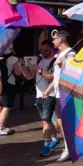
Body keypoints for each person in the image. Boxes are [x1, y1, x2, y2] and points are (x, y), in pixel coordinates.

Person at [43, 30, 76, 162]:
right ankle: (69, 147)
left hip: (66, 93)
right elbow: (57, 77)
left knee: (65, 123)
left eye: (55, 38)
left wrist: (64, 65)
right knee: (61, 122)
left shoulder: (71, 54)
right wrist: (48, 89)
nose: (53, 41)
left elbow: (74, 74)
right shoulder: (61, 54)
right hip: (58, 92)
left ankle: (69, 149)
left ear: (61, 40)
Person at [22, 40, 59, 155]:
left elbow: (52, 78)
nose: (43, 52)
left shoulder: (54, 61)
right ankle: (55, 138)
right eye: (42, 50)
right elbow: (29, 77)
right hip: (39, 95)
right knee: (47, 120)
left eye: (46, 50)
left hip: (50, 94)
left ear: (51, 49)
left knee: (45, 121)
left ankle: (46, 146)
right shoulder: (39, 60)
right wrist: (22, 66)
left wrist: (39, 70)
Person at [0, 45, 23, 136]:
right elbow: (18, 72)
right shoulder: (14, 58)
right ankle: (1, 127)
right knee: (7, 106)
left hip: (2, 84)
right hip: (10, 84)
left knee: (1, 105)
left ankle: (2, 125)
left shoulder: (1, 58)